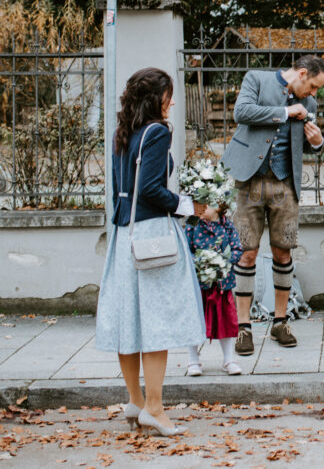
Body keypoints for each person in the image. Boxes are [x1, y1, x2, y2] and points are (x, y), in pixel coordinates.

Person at [95, 68, 205, 437]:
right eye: (169, 94)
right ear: (156, 98)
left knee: (129, 322)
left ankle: (135, 401)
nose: (172, 101)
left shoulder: (122, 134)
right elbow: (154, 192)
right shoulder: (158, 132)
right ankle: (155, 408)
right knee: (156, 323)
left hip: (123, 235)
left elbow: (120, 191)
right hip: (152, 235)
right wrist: (194, 207)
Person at [221, 56, 324, 354]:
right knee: (246, 252)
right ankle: (243, 327)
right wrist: (284, 111)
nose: (314, 94)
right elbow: (241, 113)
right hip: (248, 180)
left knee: (283, 252)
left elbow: (305, 144)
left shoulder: (309, 105)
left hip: (285, 185)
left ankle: (281, 322)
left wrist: (318, 142)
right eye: (313, 86)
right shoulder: (256, 79)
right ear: (302, 73)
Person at [185, 199, 244, 375]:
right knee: (194, 319)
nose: (201, 209)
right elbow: (187, 250)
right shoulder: (192, 224)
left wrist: (223, 263)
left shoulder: (227, 226)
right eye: (198, 204)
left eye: (206, 205)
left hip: (221, 283)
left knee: (225, 320)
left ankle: (228, 359)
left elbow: (237, 249)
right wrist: (200, 263)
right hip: (199, 283)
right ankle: (193, 360)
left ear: (219, 207)